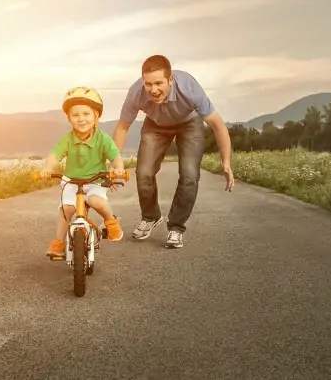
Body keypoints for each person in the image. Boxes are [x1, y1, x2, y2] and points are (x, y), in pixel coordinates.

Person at [111, 54, 234, 250]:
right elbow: (123, 127)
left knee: (189, 175)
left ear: (170, 80)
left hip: (189, 123)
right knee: (143, 172)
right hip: (155, 124)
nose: (153, 90)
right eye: (148, 84)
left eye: (159, 83)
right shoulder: (136, 92)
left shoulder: (189, 88)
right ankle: (151, 216)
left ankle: (176, 227)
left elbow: (218, 126)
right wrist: (115, 162)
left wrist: (226, 161)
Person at [41, 86, 126, 259]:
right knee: (67, 209)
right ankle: (58, 242)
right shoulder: (67, 139)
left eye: (86, 114)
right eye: (75, 115)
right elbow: (54, 155)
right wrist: (48, 168)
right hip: (71, 181)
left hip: (96, 181)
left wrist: (118, 169)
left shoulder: (103, 139)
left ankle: (111, 222)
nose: (81, 119)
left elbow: (115, 156)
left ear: (96, 117)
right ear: (69, 119)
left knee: (96, 201)